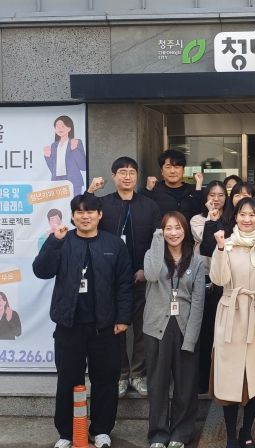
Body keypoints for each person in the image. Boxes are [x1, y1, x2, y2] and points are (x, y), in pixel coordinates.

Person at [33, 194, 133, 448]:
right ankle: (66, 433)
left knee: (106, 380)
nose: (85, 216)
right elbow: (41, 270)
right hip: (69, 325)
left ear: (100, 215)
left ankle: (101, 430)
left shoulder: (113, 244)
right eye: (79, 212)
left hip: (105, 326)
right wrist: (54, 242)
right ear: (72, 216)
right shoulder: (63, 241)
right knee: (68, 379)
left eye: (90, 212)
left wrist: (123, 318)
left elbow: (124, 284)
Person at [209, 197, 255, 448]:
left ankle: (247, 431)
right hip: (230, 315)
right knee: (229, 378)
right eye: (242, 214)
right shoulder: (226, 244)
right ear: (235, 217)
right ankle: (231, 435)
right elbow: (218, 279)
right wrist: (220, 249)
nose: (247, 219)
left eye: (252, 214)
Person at [85, 156, 162, 398]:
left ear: (137, 176)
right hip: (109, 279)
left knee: (141, 328)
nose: (127, 176)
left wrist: (146, 269)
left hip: (141, 277)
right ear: (113, 176)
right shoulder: (103, 204)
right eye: (122, 172)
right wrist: (90, 191)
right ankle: (120, 375)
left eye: (131, 172)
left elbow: (157, 242)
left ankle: (138, 374)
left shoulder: (149, 206)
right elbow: (84, 220)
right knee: (114, 328)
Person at [143, 212, 205, 448]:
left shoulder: (197, 261)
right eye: (168, 228)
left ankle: (181, 432)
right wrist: (157, 240)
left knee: (185, 385)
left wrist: (191, 337)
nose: (173, 233)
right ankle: (158, 434)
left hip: (184, 327)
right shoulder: (152, 254)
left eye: (178, 228)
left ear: (185, 230)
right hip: (156, 327)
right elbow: (151, 275)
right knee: (157, 384)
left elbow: (198, 302)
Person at [190, 180, 228, 394]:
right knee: (204, 332)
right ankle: (202, 382)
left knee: (222, 333)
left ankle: (221, 381)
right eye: (212, 194)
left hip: (225, 279)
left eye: (221, 195)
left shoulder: (231, 219)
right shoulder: (197, 219)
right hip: (204, 278)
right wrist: (211, 219)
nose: (216, 199)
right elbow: (204, 239)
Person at [142, 149, 203, 223]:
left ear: (183, 170)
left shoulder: (193, 191)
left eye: (176, 167)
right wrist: (147, 190)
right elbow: (142, 213)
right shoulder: (154, 190)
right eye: (168, 167)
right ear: (162, 171)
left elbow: (200, 214)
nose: (172, 171)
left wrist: (198, 187)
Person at [43, 115, 87, 196]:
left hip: (73, 182)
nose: (60, 129)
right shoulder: (53, 146)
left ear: (69, 128)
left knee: (74, 204)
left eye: (63, 126)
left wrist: (75, 149)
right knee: (59, 204)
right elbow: (53, 169)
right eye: (57, 126)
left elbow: (83, 166)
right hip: (57, 182)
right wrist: (47, 157)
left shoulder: (76, 142)